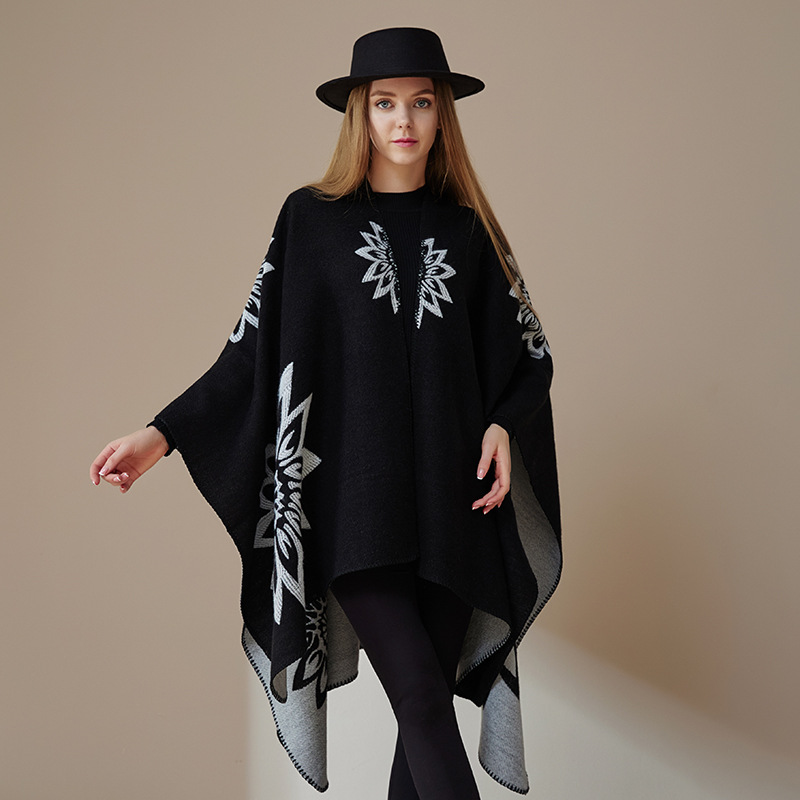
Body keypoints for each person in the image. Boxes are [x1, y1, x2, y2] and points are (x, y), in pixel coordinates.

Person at [90, 27, 562, 800]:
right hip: (356, 511)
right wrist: (161, 434)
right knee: (419, 698)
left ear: (441, 114)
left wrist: (504, 424)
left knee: (423, 716)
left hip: (458, 510)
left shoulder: (467, 230)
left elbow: (529, 358)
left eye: (421, 102)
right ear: (360, 114)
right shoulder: (311, 221)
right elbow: (251, 351)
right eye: (385, 103)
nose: (403, 120)